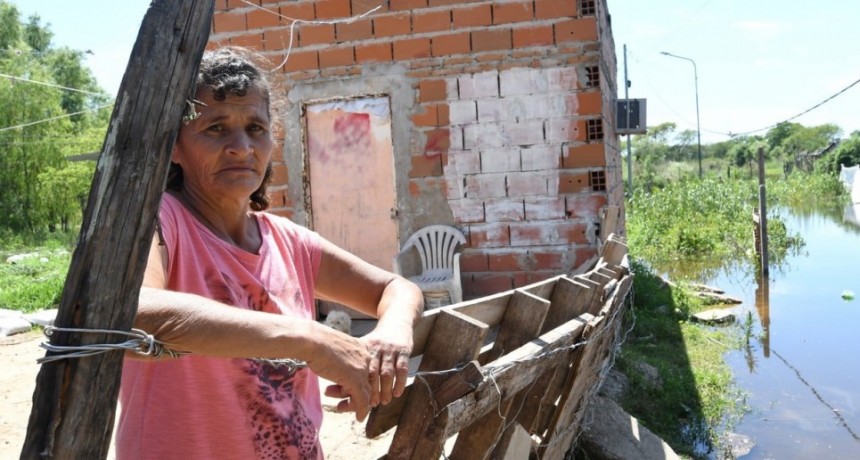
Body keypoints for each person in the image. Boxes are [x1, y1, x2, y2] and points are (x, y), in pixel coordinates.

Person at [116, 46, 424, 460]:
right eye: (215, 128)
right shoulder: (159, 221)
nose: (241, 147)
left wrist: (393, 333)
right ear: (174, 146)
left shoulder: (288, 241)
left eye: (256, 128)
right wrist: (312, 340)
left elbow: (395, 288)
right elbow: (132, 309)